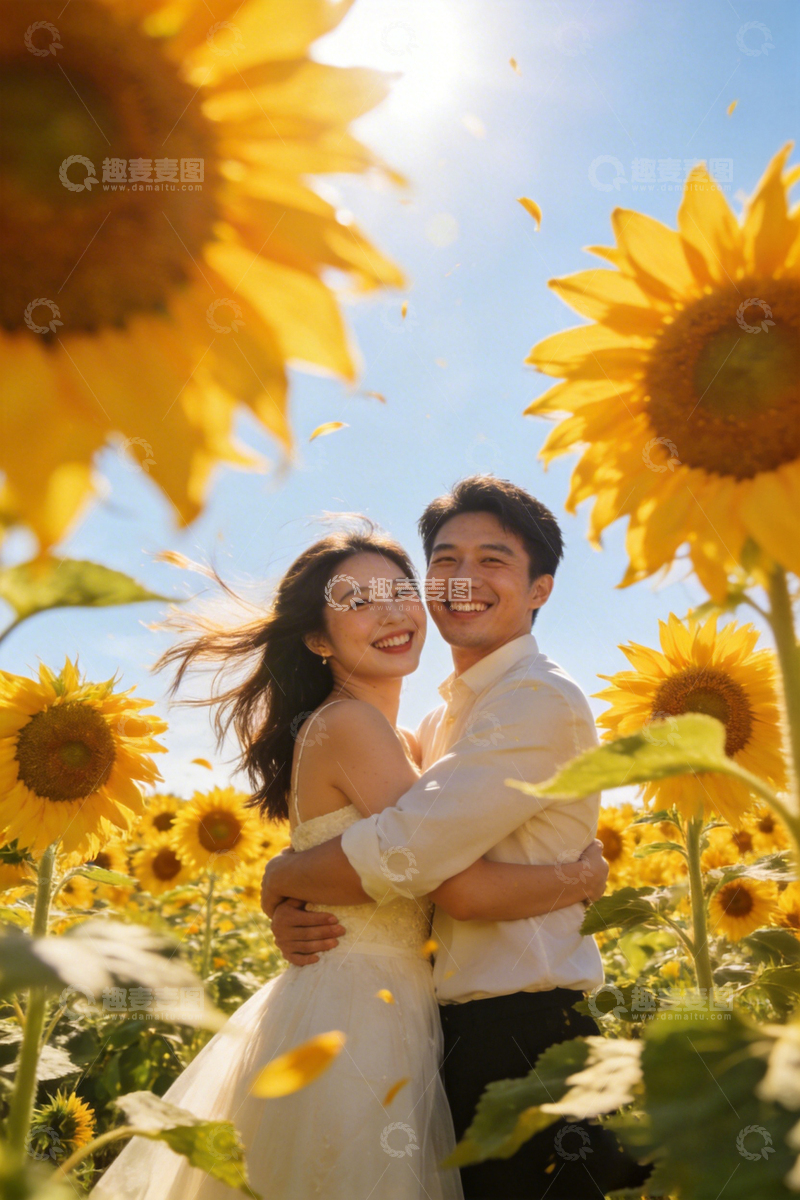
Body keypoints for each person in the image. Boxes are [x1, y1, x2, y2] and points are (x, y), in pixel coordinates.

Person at [90, 519, 608, 1200]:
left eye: (398, 591)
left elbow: (377, 857)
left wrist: (284, 882)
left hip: (401, 1008)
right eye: (357, 602)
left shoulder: (408, 732)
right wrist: (587, 878)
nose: (392, 612)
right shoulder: (359, 727)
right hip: (368, 1013)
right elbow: (454, 886)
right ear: (316, 639)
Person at [263, 477, 651, 1200]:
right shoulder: (438, 727)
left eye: (493, 560)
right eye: (444, 560)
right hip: (443, 1034)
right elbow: (436, 878)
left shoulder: (534, 699)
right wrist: (284, 880)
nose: (462, 580)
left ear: (541, 589)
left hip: (525, 1034)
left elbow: (434, 874)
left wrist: (286, 874)